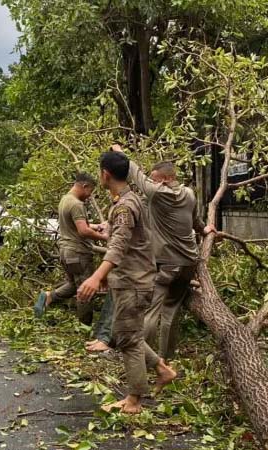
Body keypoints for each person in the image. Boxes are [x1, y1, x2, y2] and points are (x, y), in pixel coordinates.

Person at [77, 151, 176, 414]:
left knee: (128, 340)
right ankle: (162, 370)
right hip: (130, 279)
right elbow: (126, 242)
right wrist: (109, 276)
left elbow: (118, 247)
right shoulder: (130, 199)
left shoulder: (124, 206)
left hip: (134, 282)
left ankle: (134, 401)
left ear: (105, 174)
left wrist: (96, 276)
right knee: (129, 334)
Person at [112, 144, 215, 360]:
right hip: (189, 262)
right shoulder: (189, 193)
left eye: (155, 179)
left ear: (167, 179)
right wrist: (205, 229)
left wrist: (120, 153)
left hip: (167, 264)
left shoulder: (157, 193)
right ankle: (166, 358)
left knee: (152, 311)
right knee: (171, 311)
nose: (152, 182)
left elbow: (135, 174)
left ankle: (146, 360)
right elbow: (195, 220)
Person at [34, 172, 108, 323]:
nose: (90, 195)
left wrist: (97, 226)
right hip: (78, 253)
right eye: (90, 191)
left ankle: (48, 296)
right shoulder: (77, 204)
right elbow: (83, 231)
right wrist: (105, 237)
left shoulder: (65, 199)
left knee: (73, 285)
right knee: (86, 291)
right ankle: (84, 326)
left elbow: (77, 224)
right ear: (85, 186)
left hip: (66, 252)